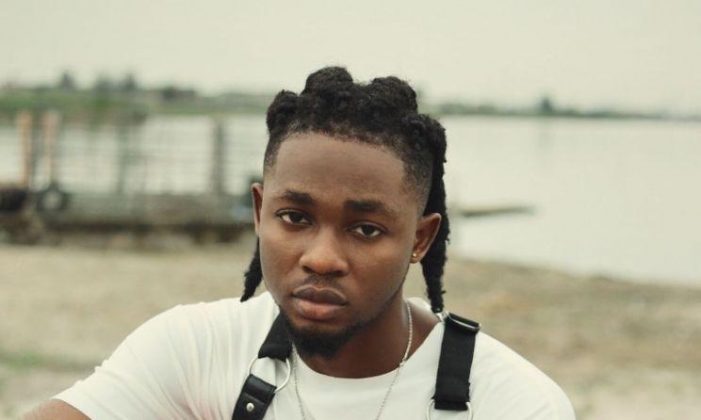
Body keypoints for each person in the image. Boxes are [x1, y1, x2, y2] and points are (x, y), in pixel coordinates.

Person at [26, 67, 575, 419]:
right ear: (259, 212)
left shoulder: (511, 403)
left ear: (420, 239)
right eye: (294, 217)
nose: (321, 258)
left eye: (366, 229)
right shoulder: (197, 350)